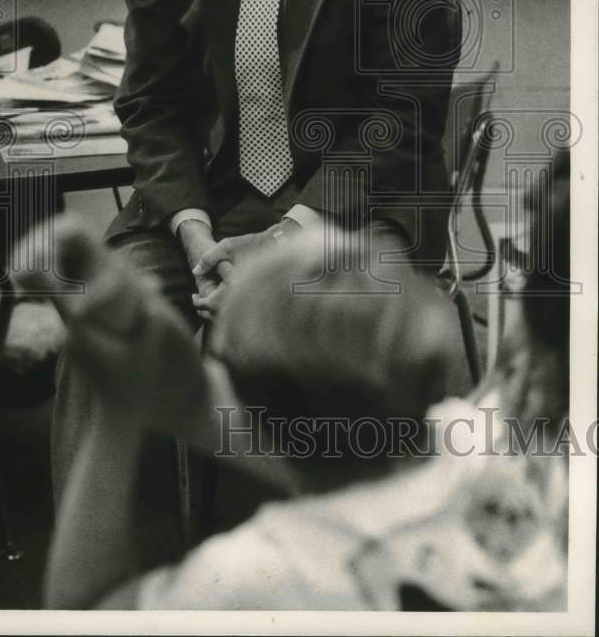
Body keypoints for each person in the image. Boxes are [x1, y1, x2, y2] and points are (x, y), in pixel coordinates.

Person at [51, 0, 457, 541]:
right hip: (207, 205)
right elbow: (151, 96)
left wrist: (284, 239)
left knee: (295, 334)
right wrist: (197, 233)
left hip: (343, 204)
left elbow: (405, 112)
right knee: (108, 320)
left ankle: (297, 577)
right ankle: (122, 582)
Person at [30, 144, 570, 610]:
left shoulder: (255, 575)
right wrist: (164, 365)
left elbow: (87, 609)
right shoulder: (510, 449)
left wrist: (117, 405)